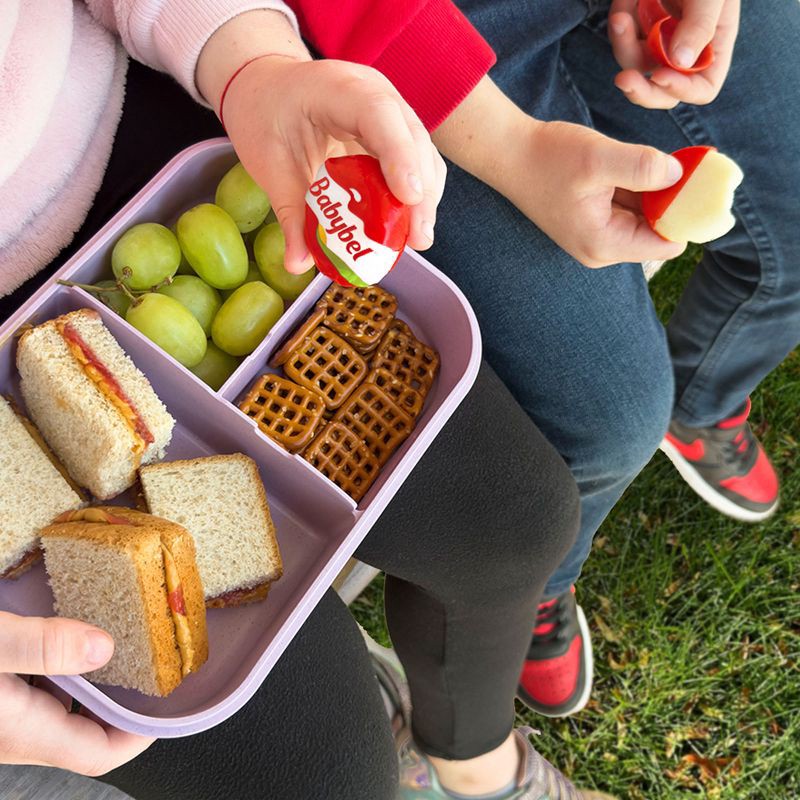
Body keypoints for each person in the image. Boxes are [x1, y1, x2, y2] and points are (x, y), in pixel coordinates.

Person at [0, 4, 614, 799]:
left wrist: (250, 59)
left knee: (513, 517)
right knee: (320, 774)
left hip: (144, 140)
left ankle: (472, 762)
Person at [281, 0, 800, 718]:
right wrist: (513, 149)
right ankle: (543, 584)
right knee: (613, 417)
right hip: (398, 36)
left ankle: (703, 399)